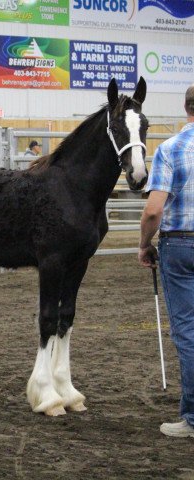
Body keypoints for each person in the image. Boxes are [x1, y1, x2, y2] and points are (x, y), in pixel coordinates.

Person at [139, 84, 194, 438]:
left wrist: (144, 244)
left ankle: (192, 418)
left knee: (188, 332)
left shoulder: (171, 149)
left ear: (186, 108)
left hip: (181, 246)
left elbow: (154, 210)